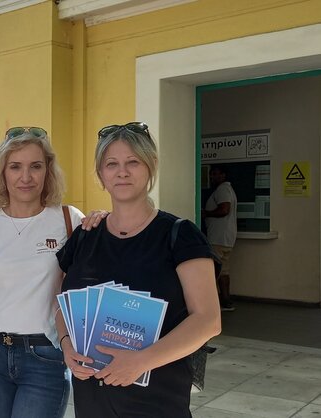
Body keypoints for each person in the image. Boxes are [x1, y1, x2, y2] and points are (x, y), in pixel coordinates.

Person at [56, 122, 221, 417]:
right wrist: (67, 346)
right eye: (112, 164)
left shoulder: (180, 235)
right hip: (93, 400)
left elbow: (208, 320)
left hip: (157, 400)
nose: (122, 172)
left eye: (133, 162)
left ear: (151, 166)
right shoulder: (84, 236)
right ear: (100, 173)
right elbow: (63, 307)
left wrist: (141, 361)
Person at [0, 127, 82, 418]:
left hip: (46, 354)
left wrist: (101, 220)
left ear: (47, 171)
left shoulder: (69, 220)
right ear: (2, 172)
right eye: (15, 167)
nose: (26, 177)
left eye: (35, 166)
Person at [203, 164, 237, 312]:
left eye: (217, 174)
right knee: (224, 271)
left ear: (224, 175)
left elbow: (224, 209)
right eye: (212, 174)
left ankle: (209, 305)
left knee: (212, 271)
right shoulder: (227, 189)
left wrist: (206, 213)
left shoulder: (223, 189)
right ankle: (226, 301)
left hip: (217, 238)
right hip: (226, 238)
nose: (213, 177)